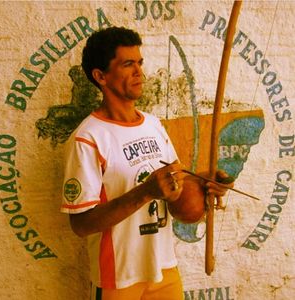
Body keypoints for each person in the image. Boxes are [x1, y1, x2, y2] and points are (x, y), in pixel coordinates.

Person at [61, 26, 233, 300]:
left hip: (164, 270)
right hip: (118, 278)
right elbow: (81, 224)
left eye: (139, 62)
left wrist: (203, 183)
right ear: (100, 76)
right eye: (128, 64)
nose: (139, 72)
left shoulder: (153, 125)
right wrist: (145, 191)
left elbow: (176, 192)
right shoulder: (88, 138)